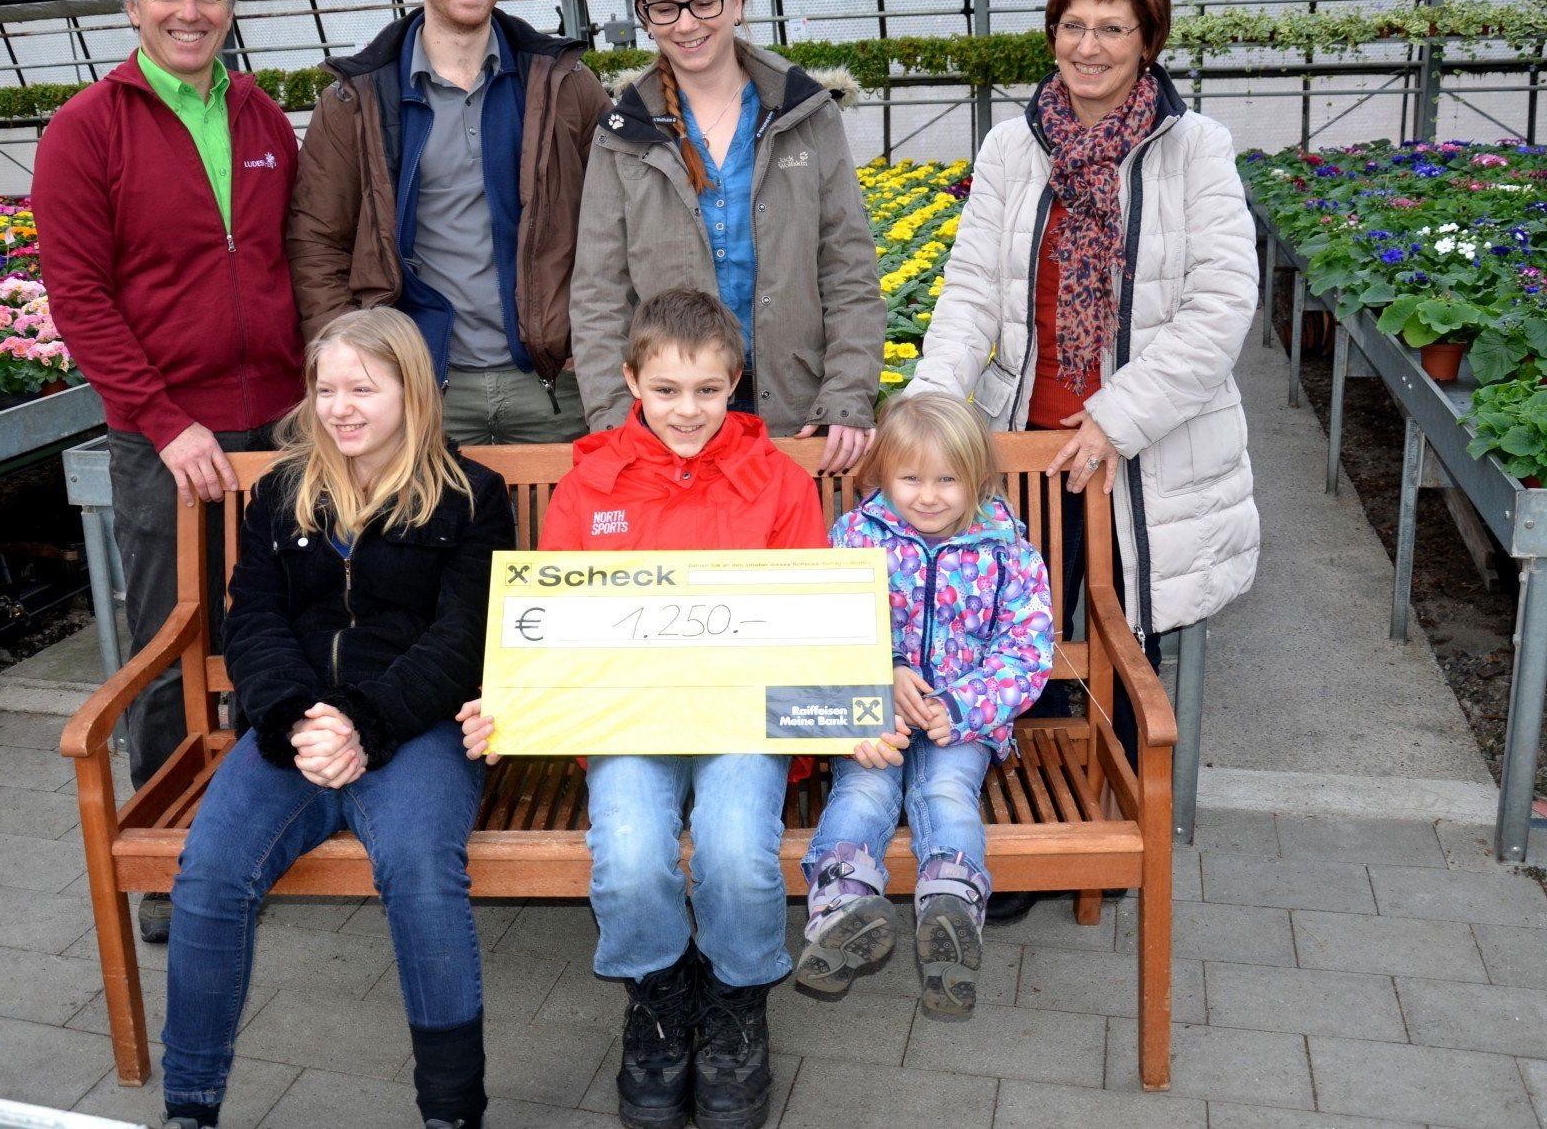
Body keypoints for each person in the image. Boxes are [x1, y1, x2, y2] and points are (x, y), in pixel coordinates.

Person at [907, 0, 1259, 921]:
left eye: (1112, 27)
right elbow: (969, 292)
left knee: (1116, 642)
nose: (1088, 46)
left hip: (1141, 451)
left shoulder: (1195, 148)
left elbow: (1220, 307)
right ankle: (1019, 836)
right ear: (1051, 33)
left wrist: (1113, 416)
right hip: (1026, 447)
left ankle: (1101, 837)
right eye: (1073, 25)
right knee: (1015, 640)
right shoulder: (1011, 147)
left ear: (1149, 41)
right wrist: (932, 405)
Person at [459, 289, 824, 1129]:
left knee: (735, 849)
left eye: (706, 390)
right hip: (627, 718)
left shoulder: (779, 484)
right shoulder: (590, 487)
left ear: (735, 383)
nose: (686, 409)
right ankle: (658, 993)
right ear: (631, 381)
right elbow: (551, 624)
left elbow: (811, 622)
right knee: (626, 853)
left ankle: (736, 996)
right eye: (665, 390)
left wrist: (849, 706)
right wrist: (510, 703)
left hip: (742, 719)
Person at [159, 308, 515, 1129]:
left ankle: (452, 1112)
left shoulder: (471, 496)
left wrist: (360, 720)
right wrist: (296, 720)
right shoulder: (283, 493)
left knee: (421, 871)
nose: (340, 408)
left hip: (415, 726)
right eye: (326, 390)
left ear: (411, 391)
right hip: (295, 730)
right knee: (210, 873)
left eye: (363, 389)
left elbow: (464, 638)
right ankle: (190, 1104)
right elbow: (252, 619)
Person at [35, 0, 305, 943]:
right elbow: (79, 297)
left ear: (230, 7)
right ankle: (164, 856)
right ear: (132, 5)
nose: (189, 11)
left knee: (273, 634)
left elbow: (284, 264)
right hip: (169, 439)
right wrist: (160, 420)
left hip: (276, 427)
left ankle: (261, 829)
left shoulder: (262, 118)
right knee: (170, 643)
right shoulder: (86, 129)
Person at [286, 0, 611, 445]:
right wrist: (355, 364)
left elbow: (619, 221)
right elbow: (317, 242)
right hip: (419, 390)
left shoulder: (565, 86)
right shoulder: (357, 101)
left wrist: (597, 348)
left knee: (562, 509)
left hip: (555, 386)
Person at [573, 0, 883, 474]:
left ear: (737, 0)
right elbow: (599, 293)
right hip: (671, 420)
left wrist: (846, 394)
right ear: (645, 17)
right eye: (664, 8)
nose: (686, 24)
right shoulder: (623, 134)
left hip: (795, 410)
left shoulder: (805, 115)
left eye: (704, 1)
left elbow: (848, 269)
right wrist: (617, 422)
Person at [796, 394, 1053, 1016]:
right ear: (882, 473)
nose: (929, 496)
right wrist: (880, 677)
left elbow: (1026, 653)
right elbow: (824, 628)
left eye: (947, 480)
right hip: (874, 714)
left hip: (957, 725)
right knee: (863, 790)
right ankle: (842, 912)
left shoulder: (1007, 552)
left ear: (977, 479)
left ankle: (950, 913)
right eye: (911, 479)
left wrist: (959, 706)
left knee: (946, 792)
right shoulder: (855, 538)